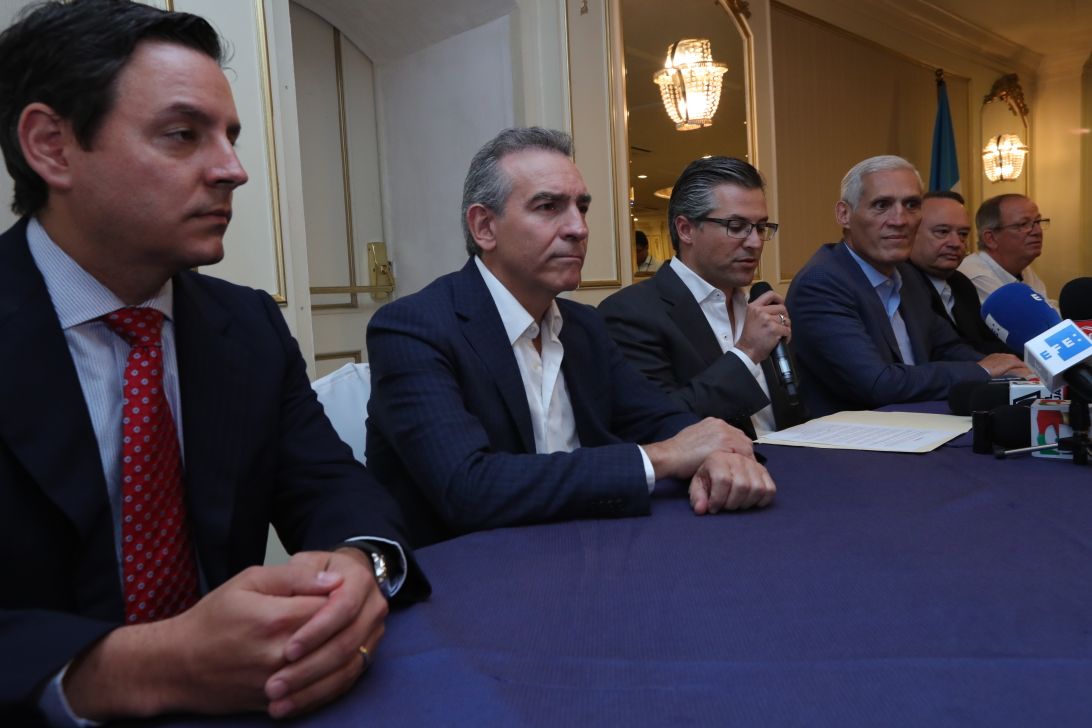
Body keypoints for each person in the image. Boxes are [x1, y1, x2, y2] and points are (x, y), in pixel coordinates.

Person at [0, 1, 427, 724]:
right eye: (182, 135)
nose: (234, 170)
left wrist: (359, 565)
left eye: (230, 137)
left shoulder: (248, 327)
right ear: (52, 147)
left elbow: (331, 485)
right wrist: (140, 668)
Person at [365, 127, 775, 547]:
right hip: (467, 565)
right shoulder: (412, 328)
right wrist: (664, 456)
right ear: (484, 227)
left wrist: (718, 451)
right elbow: (469, 488)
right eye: (548, 207)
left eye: (582, 208)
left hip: (590, 548)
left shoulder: (583, 326)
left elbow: (657, 418)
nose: (578, 228)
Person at [785, 155, 1027, 417]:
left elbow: (946, 347)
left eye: (911, 205)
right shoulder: (821, 283)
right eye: (882, 205)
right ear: (844, 214)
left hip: (918, 423)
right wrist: (982, 370)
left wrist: (1011, 370)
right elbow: (878, 384)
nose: (900, 220)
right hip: (852, 436)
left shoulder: (908, 275)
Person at [599, 156, 807, 437]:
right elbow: (658, 427)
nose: (755, 242)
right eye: (736, 226)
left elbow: (794, 407)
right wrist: (747, 353)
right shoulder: (630, 313)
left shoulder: (759, 305)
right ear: (686, 230)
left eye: (760, 227)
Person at [907, 191, 1014, 355]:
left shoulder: (961, 283)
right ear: (910, 233)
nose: (956, 243)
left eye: (963, 234)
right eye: (942, 232)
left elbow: (985, 343)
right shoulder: (902, 285)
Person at [958, 193, 1051, 303]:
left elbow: (1047, 308)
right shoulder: (975, 277)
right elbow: (1026, 313)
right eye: (1023, 224)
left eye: (1038, 222)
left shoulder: (1023, 268)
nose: (1038, 231)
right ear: (991, 239)